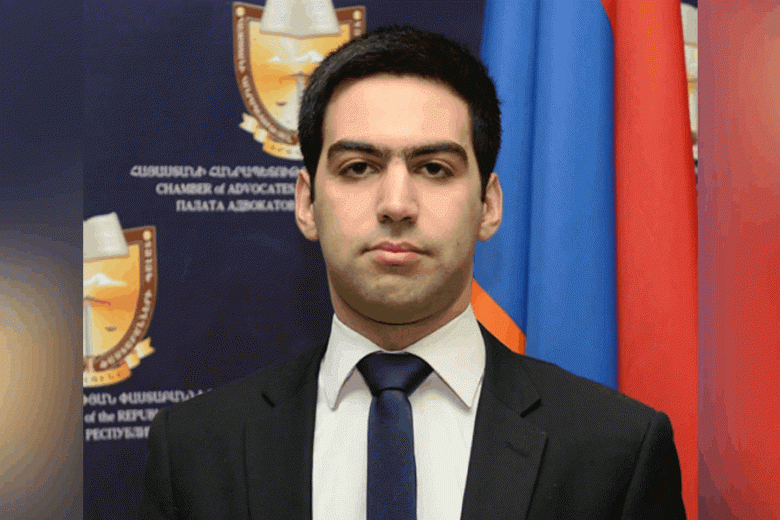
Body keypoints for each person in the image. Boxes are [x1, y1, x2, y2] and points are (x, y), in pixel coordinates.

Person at [139, 25, 686, 519]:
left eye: (434, 168)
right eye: (358, 167)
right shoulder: (193, 451)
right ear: (307, 204)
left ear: (489, 205)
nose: (396, 204)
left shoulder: (616, 451)